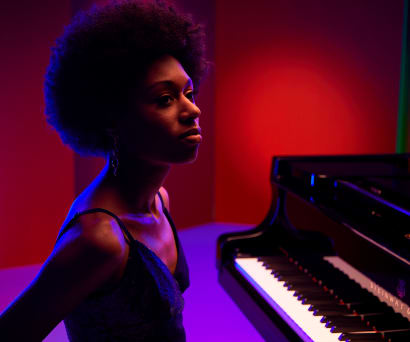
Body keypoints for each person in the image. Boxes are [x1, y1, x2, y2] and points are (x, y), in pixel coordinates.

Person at [0, 0, 208, 341]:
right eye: (165, 99)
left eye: (188, 92)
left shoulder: (160, 201)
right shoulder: (100, 240)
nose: (193, 110)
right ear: (112, 119)